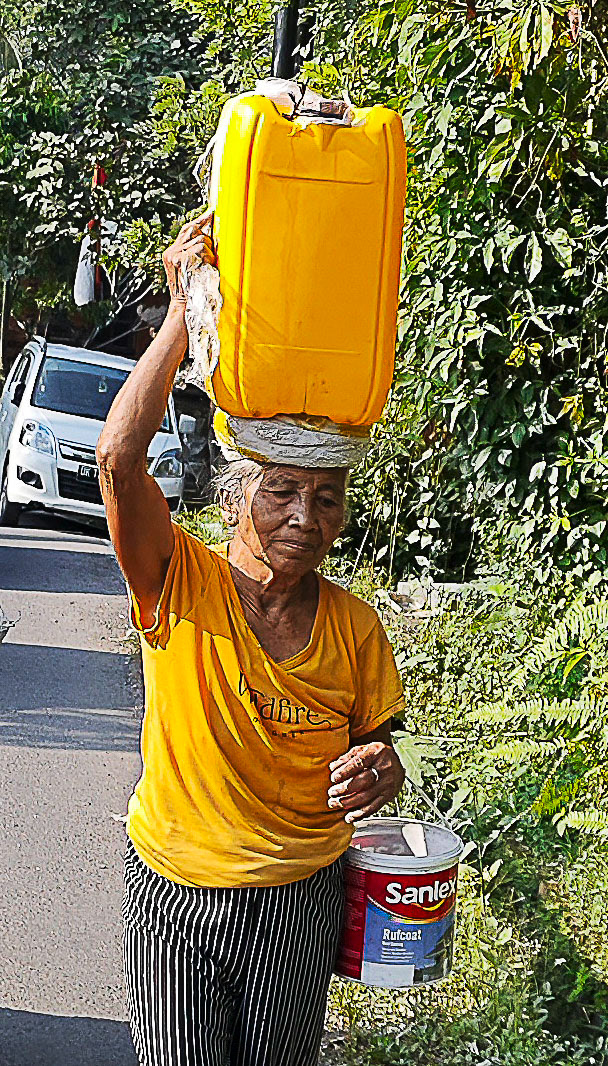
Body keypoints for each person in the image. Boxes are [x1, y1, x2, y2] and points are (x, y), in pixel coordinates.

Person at [96, 213, 406, 1066]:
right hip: (173, 887)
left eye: (327, 497)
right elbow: (119, 463)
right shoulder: (177, 581)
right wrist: (179, 314)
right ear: (236, 499)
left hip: (299, 898)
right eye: (280, 491)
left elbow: (376, 750)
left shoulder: (355, 628)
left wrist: (385, 769)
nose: (305, 518)